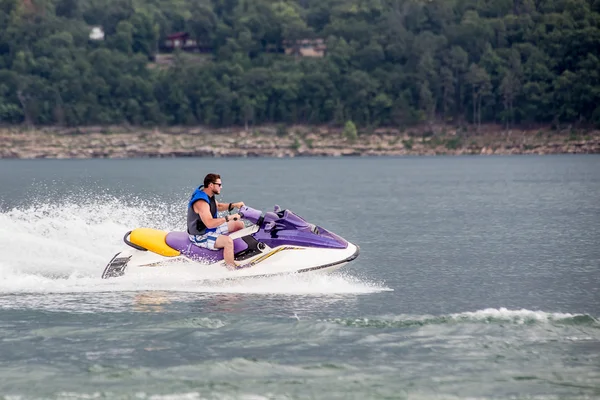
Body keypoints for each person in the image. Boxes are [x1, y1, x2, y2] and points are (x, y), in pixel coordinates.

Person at [187, 173, 245, 268]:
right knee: (228, 242)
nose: (221, 187)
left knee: (239, 224)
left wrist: (234, 205)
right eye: (219, 185)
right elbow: (209, 223)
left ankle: (240, 253)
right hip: (200, 234)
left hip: (209, 229)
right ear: (211, 185)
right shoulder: (201, 202)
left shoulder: (209, 194)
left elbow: (218, 206)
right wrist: (228, 218)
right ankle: (231, 270)